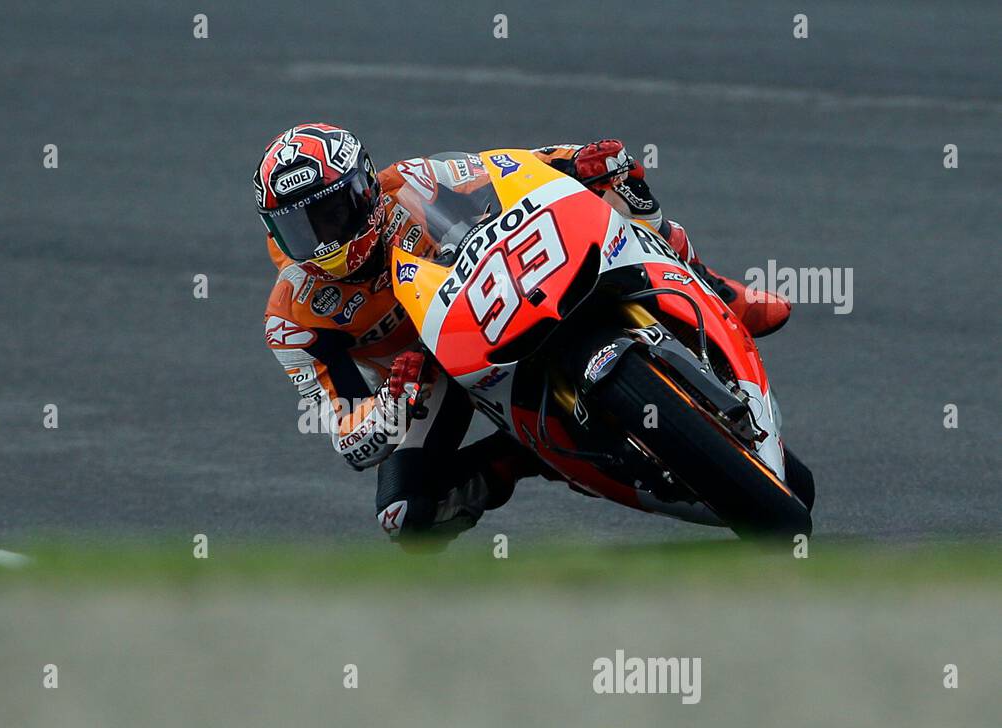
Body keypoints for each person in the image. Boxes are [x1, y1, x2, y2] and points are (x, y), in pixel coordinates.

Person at [256, 123, 790, 544]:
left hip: (493, 287)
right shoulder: (293, 316)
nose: (321, 239)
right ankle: (526, 455)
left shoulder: (412, 183)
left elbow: (513, 167)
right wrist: (393, 402)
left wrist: (579, 160)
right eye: (299, 228)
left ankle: (717, 289)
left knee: (620, 195)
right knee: (405, 515)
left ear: (363, 188)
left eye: (329, 215)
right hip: (431, 373)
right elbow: (347, 434)